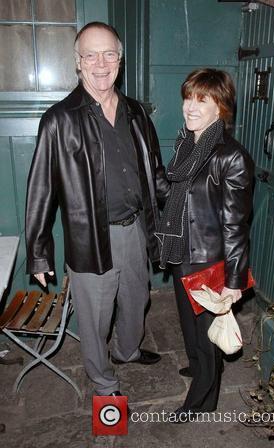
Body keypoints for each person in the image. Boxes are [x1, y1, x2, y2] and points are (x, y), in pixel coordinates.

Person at [25, 22, 170, 398]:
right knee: (95, 318)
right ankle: (104, 383)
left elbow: (155, 175)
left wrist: (185, 208)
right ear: (78, 62)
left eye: (109, 54)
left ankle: (127, 351)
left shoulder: (137, 113)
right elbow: (41, 190)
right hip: (91, 238)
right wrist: (39, 254)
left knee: (138, 300)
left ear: (119, 61)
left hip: (137, 229)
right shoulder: (60, 119)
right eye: (91, 55)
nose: (100, 63)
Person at [155, 68, 254, 421]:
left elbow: (235, 225)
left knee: (205, 333)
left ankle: (201, 400)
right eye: (188, 97)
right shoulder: (187, 144)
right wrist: (150, 175)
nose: (190, 107)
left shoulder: (232, 156)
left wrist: (233, 281)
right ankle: (200, 367)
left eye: (203, 99)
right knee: (189, 325)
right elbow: (173, 194)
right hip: (183, 249)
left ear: (221, 107)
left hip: (211, 261)